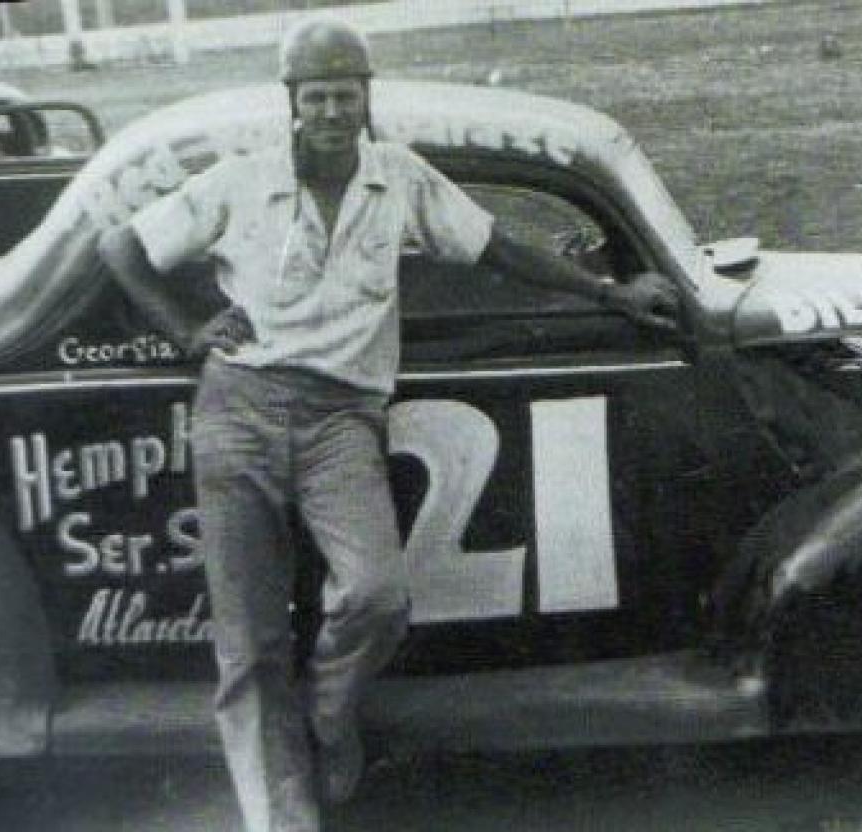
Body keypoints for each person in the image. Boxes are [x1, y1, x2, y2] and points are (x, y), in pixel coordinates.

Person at [97, 16, 679, 832]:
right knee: (250, 641)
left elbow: (498, 246)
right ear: (293, 102)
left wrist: (611, 294)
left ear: (366, 98)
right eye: (317, 97)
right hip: (239, 411)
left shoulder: (398, 178)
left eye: (345, 95)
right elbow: (122, 248)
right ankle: (282, 818)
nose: (332, 111)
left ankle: (327, 716)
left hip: (342, 416)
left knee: (377, 596)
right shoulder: (242, 180)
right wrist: (186, 332)